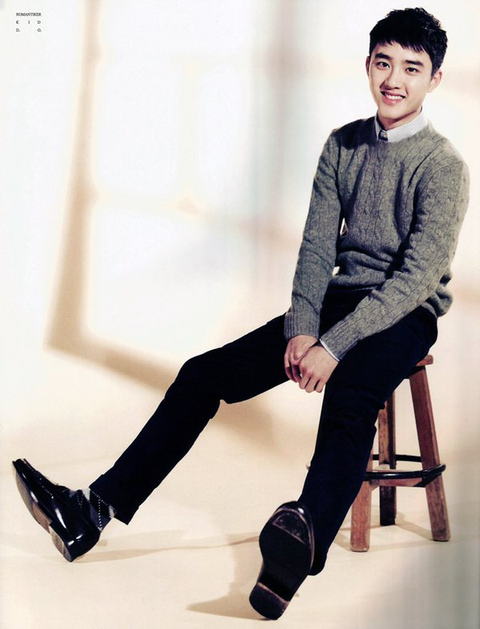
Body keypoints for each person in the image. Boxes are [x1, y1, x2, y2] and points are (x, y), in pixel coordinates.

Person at [13, 7, 469, 620]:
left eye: (412, 69)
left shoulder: (443, 166)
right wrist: (304, 328)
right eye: (384, 63)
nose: (394, 80)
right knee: (203, 374)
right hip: (339, 299)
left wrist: (333, 347)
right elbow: (317, 248)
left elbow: (415, 278)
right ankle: (91, 512)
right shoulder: (342, 145)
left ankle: (299, 543)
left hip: (405, 312)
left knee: (351, 396)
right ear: (368, 65)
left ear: (434, 79)